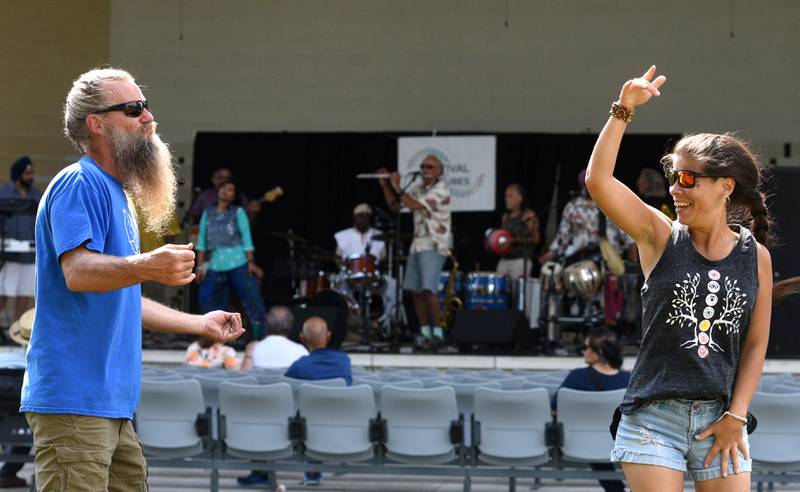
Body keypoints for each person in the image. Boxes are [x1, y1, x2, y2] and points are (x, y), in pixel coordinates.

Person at [21, 67, 245, 491]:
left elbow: (121, 297)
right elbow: (78, 272)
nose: (149, 118)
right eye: (134, 108)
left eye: (146, 107)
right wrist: (146, 266)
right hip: (75, 401)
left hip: (108, 405)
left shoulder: (116, 192)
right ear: (97, 123)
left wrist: (198, 324)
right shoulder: (79, 183)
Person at [586, 65, 800, 491]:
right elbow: (598, 181)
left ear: (725, 186)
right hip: (652, 419)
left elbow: (756, 342)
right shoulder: (660, 235)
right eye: (672, 178)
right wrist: (623, 109)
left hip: (721, 418)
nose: (674, 189)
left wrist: (736, 416)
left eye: (687, 179)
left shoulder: (754, 256)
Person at [378, 155, 452, 348]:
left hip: (434, 244)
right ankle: (425, 332)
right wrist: (385, 185)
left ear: (439, 171)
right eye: (423, 166)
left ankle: (438, 333)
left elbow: (413, 205)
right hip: (417, 244)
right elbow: (396, 206)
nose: (425, 169)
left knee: (429, 289)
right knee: (415, 291)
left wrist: (396, 185)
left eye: (430, 167)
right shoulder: (418, 188)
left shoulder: (441, 189)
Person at [237, 306, 308, 488]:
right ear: (290, 327)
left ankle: (259, 472)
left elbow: (242, 380)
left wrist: (248, 353)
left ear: (266, 326)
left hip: (257, 416)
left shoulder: (255, 349)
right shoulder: (300, 351)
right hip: (292, 418)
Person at [552, 328, 630, 492]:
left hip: (581, 442)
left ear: (600, 351)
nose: (583, 351)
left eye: (587, 347)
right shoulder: (629, 380)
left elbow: (554, 410)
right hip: (621, 444)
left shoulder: (576, 377)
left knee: (596, 439)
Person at [196, 179, 268, 340]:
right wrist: (200, 267)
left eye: (230, 190)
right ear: (218, 191)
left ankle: (259, 340)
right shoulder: (207, 213)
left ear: (234, 196)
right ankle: (215, 339)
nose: (225, 191)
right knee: (206, 301)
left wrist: (251, 263)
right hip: (215, 265)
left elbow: (246, 238)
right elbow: (201, 241)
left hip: (239, 263)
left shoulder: (238, 212)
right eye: (223, 188)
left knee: (253, 302)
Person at [285, 316, 352, 486]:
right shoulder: (344, 361)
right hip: (343, 424)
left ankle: (312, 473)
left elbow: (285, 388)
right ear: (328, 336)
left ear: (302, 338)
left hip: (308, 429)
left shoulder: (299, 366)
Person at [539, 168, 632, 266]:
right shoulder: (573, 207)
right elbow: (562, 236)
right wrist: (551, 253)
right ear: (582, 185)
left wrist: (632, 248)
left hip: (609, 262)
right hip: (579, 260)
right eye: (586, 183)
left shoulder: (611, 205)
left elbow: (627, 232)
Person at [0, 156, 42, 327]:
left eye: (31, 173)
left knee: (24, 296)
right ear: (18, 175)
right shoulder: (3, 193)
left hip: (30, 257)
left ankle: (16, 332)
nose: (30, 176)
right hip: (7, 257)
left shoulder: (37, 196)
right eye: (27, 173)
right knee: (3, 293)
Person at [0, 312, 33, 488]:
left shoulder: (4, 358)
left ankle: (8, 473)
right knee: (27, 422)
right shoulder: (33, 364)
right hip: (21, 410)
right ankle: (8, 472)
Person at [241, 306, 308, 370]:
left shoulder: (252, 351)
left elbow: (244, 378)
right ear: (290, 326)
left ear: (266, 324)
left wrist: (248, 356)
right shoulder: (301, 352)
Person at [496, 183, 540, 279]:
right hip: (505, 258)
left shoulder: (528, 215)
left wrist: (514, 239)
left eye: (510, 196)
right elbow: (503, 238)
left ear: (520, 198)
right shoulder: (505, 217)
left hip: (521, 260)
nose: (507, 199)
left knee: (517, 291)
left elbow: (535, 240)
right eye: (506, 196)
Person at [186, 166, 253, 226]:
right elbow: (192, 216)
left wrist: (253, 213)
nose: (224, 181)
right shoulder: (204, 196)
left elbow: (246, 225)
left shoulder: (240, 197)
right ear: (213, 179)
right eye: (220, 177)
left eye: (227, 178)